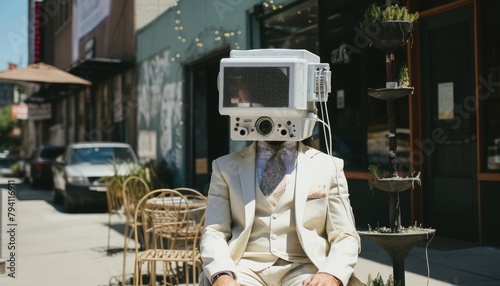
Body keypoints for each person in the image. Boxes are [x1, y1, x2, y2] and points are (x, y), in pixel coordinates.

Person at [198, 136, 363, 286]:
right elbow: (214, 231)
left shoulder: (329, 166)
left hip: (304, 268)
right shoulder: (224, 166)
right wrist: (222, 274)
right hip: (243, 268)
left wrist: (331, 274)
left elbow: (345, 234)